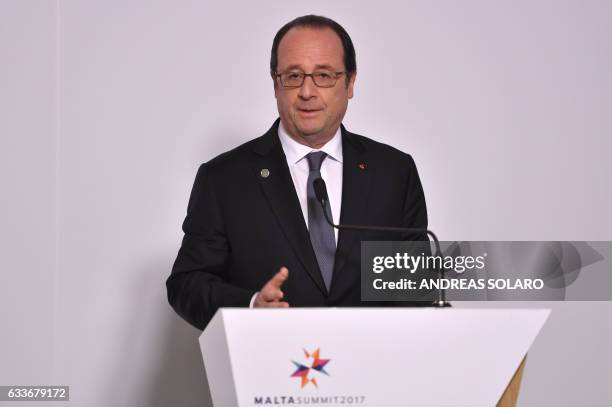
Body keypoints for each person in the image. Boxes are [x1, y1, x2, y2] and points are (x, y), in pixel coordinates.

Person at [166, 15, 428, 330]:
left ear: (351, 82)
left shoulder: (394, 172)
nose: (307, 91)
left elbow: (415, 289)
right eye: (293, 76)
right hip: (273, 366)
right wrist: (251, 306)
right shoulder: (224, 179)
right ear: (276, 83)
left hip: (374, 365)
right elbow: (186, 284)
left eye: (324, 75)